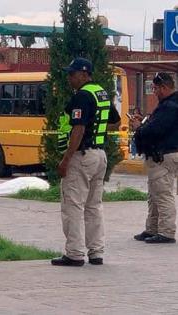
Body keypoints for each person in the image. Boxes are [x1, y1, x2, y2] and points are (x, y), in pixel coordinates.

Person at [51, 57, 121, 267]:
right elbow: (116, 122)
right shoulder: (101, 93)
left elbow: (78, 129)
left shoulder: (82, 96)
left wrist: (66, 159)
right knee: (93, 206)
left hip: (81, 156)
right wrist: (97, 131)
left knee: (73, 205)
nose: (69, 78)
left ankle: (74, 254)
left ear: (84, 74)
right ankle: (96, 252)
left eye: (72, 74)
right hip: (99, 155)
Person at [131, 72, 178, 244]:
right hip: (160, 156)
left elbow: (156, 130)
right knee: (155, 194)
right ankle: (152, 229)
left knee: (163, 194)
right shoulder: (168, 105)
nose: (154, 92)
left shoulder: (170, 107)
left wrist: (139, 127)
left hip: (163, 156)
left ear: (164, 87)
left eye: (156, 88)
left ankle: (166, 232)